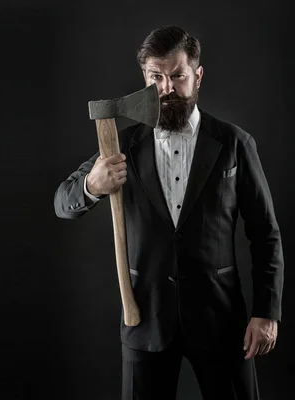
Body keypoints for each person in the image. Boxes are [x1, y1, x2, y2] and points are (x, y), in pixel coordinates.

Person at [53, 25, 284, 399]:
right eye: (156, 77)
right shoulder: (122, 145)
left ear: (197, 74)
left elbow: (265, 234)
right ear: (144, 78)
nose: (167, 88)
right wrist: (91, 185)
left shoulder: (234, 143)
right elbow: (62, 203)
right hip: (144, 319)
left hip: (222, 320)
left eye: (177, 75)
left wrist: (267, 311)